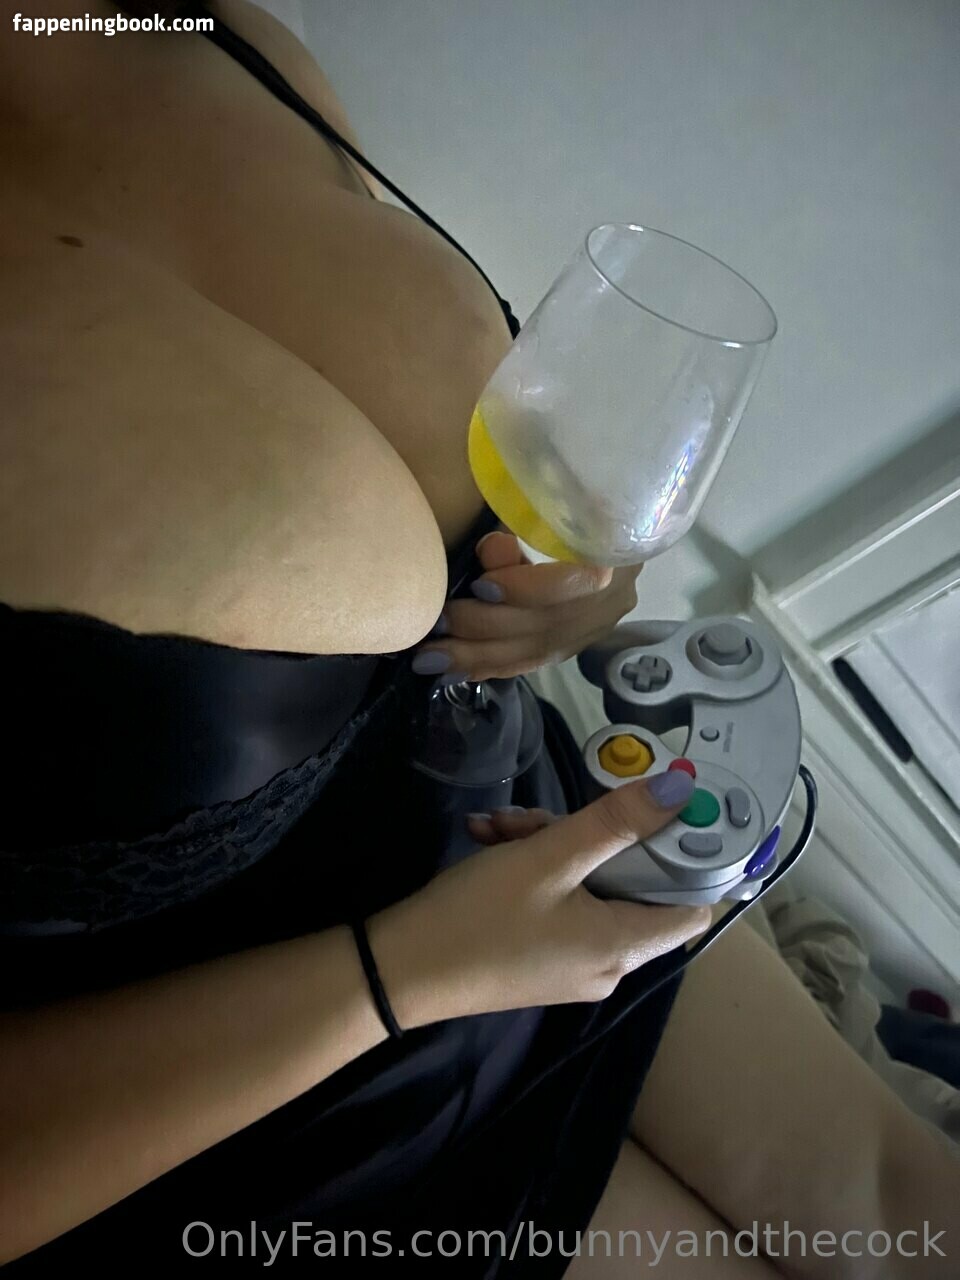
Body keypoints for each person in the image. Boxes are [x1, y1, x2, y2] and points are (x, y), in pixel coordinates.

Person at [1, 2, 956, 1274]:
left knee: (910, 1207)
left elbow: (476, 464)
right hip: (284, 1104)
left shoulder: (204, 34)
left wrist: (574, 576)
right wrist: (393, 974)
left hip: (515, 824)